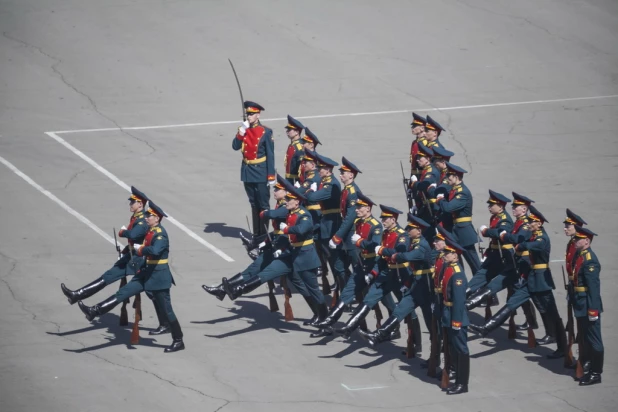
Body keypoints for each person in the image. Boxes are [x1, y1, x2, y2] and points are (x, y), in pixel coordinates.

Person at [221, 182, 330, 333]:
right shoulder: (291, 214)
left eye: (289, 200)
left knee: (314, 290)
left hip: (305, 258)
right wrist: (281, 248)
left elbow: (302, 229)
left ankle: (325, 321)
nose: (286, 202)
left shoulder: (304, 215)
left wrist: (287, 229)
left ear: (297, 202)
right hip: (290, 255)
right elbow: (288, 238)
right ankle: (238, 290)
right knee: (271, 273)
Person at [79, 201, 185, 353]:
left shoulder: (161, 235)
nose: (147, 218)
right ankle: (94, 311)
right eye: (147, 215)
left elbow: (155, 251)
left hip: (159, 279)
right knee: (123, 293)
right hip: (145, 273)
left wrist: (140, 249)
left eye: (150, 216)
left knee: (167, 310)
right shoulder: (150, 231)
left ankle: (178, 340)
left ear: (157, 219)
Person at [232, 101, 275, 236]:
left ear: (258, 115)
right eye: (247, 114)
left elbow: (270, 154)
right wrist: (241, 133)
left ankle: (264, 236)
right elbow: (235, 146)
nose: (249, 116)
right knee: (253, 204)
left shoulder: (265, 132)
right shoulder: (244, 129)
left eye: (251, 114)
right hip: (247, 171)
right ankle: (257, 236)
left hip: (260, 171)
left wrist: (271, 175)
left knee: (263, 205)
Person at [570, 226, 603, 386]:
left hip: (589, 305)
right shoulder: (580, 254)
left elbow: (594, 288)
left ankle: (596, 373)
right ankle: (587, 364)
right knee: (585, 338)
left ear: (587, 241)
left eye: (578, 239)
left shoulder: (590, 260)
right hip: (580, 302)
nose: (575, 241)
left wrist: (593, 309)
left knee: (595, 340)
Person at [435, 162, 481, 274]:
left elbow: (448, 208)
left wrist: (441, 199)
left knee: (474, 263)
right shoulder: (454, 190)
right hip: (457, 230)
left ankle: (485, 288)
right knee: (456, 261)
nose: (447, 179)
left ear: (456, 177)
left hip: (464, 231)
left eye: (449, 177)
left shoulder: (462, 193)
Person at [440, 237, 470, 395]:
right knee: (452, 348)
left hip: (456, 315)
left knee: (461, 350)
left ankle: (462, 383)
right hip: (448, 313)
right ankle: (456, 378)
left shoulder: (457, 274)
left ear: (456, 256)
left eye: (448, 253)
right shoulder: (449, 268)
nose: (445, 254)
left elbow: (459, 301)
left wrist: (456, 321)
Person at [283, 115, 305, 184]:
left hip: (295, 181)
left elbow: (301, 167)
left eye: (289, 130)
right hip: (289, 179)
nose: (287, 132)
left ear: (297, 132)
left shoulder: (299, 147)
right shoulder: (292, 145)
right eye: (287, 130)